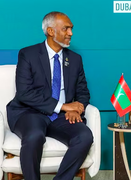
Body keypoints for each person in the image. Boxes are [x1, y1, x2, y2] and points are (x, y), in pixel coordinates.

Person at [6, 11, 93, 180]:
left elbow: (83, 92)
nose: (71, 33)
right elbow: (25, 93)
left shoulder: (75, 59)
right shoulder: (28, 54)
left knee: (85, 136)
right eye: (66, 29)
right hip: (29, 112)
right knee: (34, 136)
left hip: (61, 116)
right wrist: (62, 106)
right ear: (51, 31)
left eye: (71, 29)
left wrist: (76, 109)